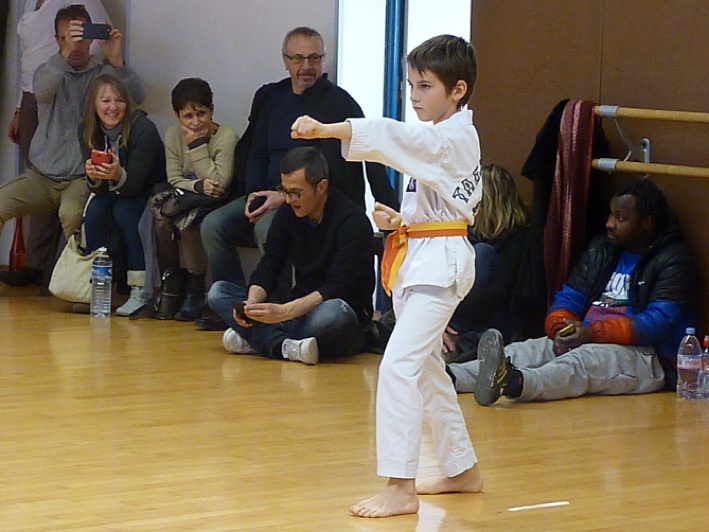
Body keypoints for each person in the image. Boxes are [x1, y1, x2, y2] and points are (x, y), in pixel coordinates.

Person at [291, 34, 483, 518]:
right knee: (427, 370)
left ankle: (401, 485)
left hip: (440, 266)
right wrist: (402, 221)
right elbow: (447, 206)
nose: (414, 95)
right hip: (424, 254)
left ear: (458, 90)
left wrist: (327, 128)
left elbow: (394, 137)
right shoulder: (443, 136)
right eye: (411, 85)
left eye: (425, 86)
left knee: (398, 367)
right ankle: (462, 469)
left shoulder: (451, 137)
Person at [449, 179, 697, 407]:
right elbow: (570, 296)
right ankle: (447, 377)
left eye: (621, 218)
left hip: (646, 356)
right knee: (526, 350)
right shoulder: (602, 249)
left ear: (647, 223)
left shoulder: (674, 260)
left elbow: (657, 322)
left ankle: (512, 382)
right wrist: (560, 326)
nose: (609, 223)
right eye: (611, 214)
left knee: (579, 363)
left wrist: (591, 333)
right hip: (587, 336)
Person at [200, 26, 397, 304]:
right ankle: (240, 308)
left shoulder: (340, 103)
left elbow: (346, 167)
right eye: (298, 58)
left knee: (267, 229)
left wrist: (283, 196)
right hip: (265, 193)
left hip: (307, 199)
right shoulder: (270, 97)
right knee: (213, 226)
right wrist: (255, 194)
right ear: (285, 61)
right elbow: (255, 152)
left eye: (314, 58)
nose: (306, 66)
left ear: (323, 60)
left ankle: (276, 309)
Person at [0, 4, 144, 287]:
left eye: (81, 37)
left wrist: (116, 59)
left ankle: (78, 286)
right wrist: (64, 52)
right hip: (42, 175)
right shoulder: (48, 70)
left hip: (80, 176)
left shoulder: (102, 74)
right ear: (57, 39)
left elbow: (135, 98)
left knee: (72, 215)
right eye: (68, 37)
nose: (77, 45)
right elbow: (42, 90)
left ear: (91, 38)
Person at [208, 146, 374, 365]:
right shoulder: (289, 213)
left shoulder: (353, 221)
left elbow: (338, 286)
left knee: (333, 313)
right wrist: (251, 305)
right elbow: (270, 263)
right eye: (284, 191)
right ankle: (286, 346)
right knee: (218, 292)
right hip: (297, 310)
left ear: (321, 187)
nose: (288, 199)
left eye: (296, 192)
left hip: (338, 310)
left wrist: (284, 312)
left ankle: (261, 340)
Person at [79, 74, 166, 316]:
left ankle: (139, 289)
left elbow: (136, 185)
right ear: (94, 104)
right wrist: (93, 176)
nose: (113, 107)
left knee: (125, 210)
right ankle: (99, 285)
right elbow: (97, 189)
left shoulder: (143, 129)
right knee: (95, 209)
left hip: (149, 190)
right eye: (106, 101)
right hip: (114, 190)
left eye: (119, 100)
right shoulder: (87, 130)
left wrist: (117, 174)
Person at [153, 78, 238, 321]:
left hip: (218, 200)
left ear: (212, 110)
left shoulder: (226, 136)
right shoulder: (172, 135)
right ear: (177, 116)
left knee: (189, 223)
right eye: (188, 116)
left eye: (201, 114)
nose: (195, 122)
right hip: (190, 194)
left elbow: (220, 182)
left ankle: (196, 289)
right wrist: (198, 185)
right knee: (160, 217)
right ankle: (170, 284)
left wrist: (198, 147)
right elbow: (174, 177)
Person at [442, 163, 537, 363]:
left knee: (482, 253)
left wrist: (445, 316)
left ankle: (449, 335)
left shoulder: (521, 239)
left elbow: (496, 293)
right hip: (465, 316)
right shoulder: (472, 234)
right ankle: (442, 333)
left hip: (499, 318)